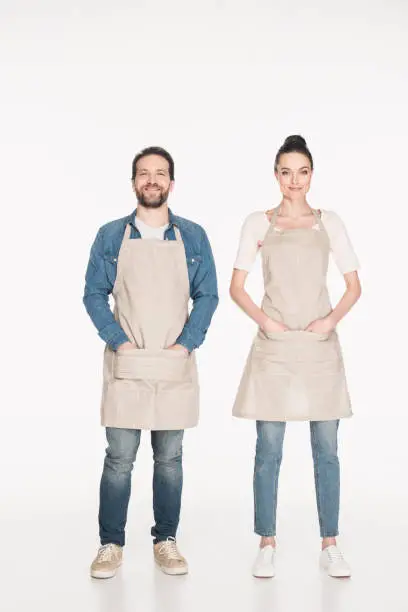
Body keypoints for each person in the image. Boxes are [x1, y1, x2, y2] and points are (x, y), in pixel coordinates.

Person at [83, 146, 218, 579]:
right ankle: (110, 544)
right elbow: (93, 294)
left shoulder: (193, 236)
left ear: (171, 183)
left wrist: (186, 344)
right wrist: (119, 342)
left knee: (170, 458)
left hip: (172, 362)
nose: (152, 180)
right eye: (144, 174)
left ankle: (165, 540)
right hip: (128, 361)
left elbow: (207, 295)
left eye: (160, 174)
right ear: (134, 182)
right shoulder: (110, 236)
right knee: (119, 458)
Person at [230, 135, 361, 579]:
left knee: (326, 450)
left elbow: (354, 285)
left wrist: (329, 322)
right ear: (275, 175)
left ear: (312, 175)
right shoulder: (257, 223)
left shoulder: (331, 223)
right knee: (268, 449)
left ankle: (330, 543)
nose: (294, 180)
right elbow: (236, 287)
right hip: (275, 347)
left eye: (302, 172)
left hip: (320, 348)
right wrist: (266, 323)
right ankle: (266, 541)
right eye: (286, 172)